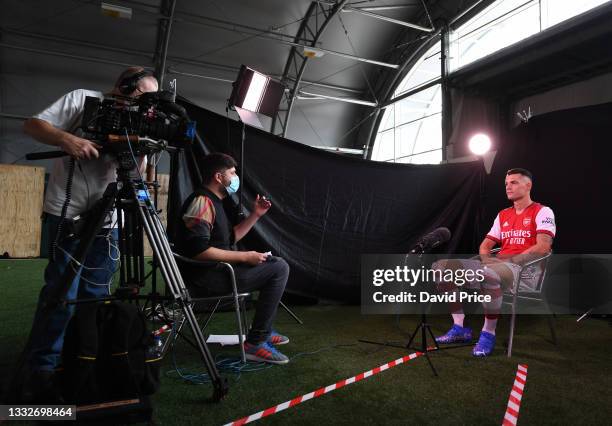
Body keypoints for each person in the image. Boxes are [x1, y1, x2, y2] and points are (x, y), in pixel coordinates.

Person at [22, 67, 159, 400]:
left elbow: (136, 171)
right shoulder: (81, 100)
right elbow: (32, 124)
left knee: (96, 296)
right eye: (144, 96)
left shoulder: (142, 122)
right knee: (62, 292)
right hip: (66, 212)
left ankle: (82, 358)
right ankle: (43, 368)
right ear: (123, 87)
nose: (148, 107)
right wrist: (67, 139)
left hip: (109, 220)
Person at [175, 152, 291, 365]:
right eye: (232, 173)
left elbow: (230, 238)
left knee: (275, 264)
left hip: (219, 270)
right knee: (279, 269)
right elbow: (199, 251)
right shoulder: (202, 201)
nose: (235, 177)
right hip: (207, 278)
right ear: (219, 177)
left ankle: (262, 332)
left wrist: (256, 214)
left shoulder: (215, 201)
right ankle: (256, 342)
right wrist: (245, 256)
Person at [433, 168, 556, 356]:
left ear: (528, 185)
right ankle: (460, 328)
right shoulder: (503, 215)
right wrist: (487, 261)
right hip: (497, 269)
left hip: (525, 272)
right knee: (440, 268)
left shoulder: (543, 211)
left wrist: (507, 262)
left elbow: (543, 247)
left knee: (487, 273)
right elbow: (484, 247)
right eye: (506, 183)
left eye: (514, 182)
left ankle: (488, 333)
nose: (508, 187)